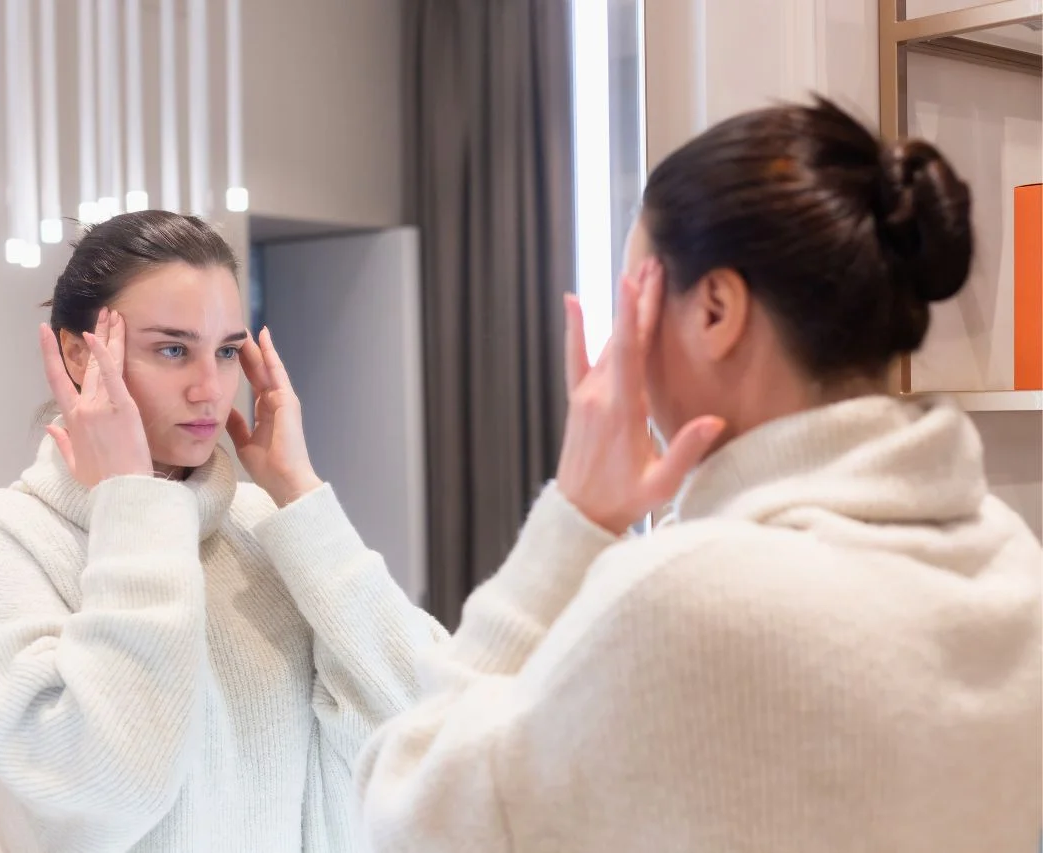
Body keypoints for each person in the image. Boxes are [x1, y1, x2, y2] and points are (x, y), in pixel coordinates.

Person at [355, 97, 1042, 852]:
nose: (623, 349)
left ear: (714, 308)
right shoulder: (1011, 560)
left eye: (636, 301)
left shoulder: (687, 595)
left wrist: (573, 520)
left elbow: (405, 816)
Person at [0, 211, 446, 853]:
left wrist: (301, 495)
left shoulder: (265, 526)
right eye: (172, 349)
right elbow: (100, 791)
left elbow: (427, 734)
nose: (210, 389)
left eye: (227, 350)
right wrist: (135, 506)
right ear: (75, 351)